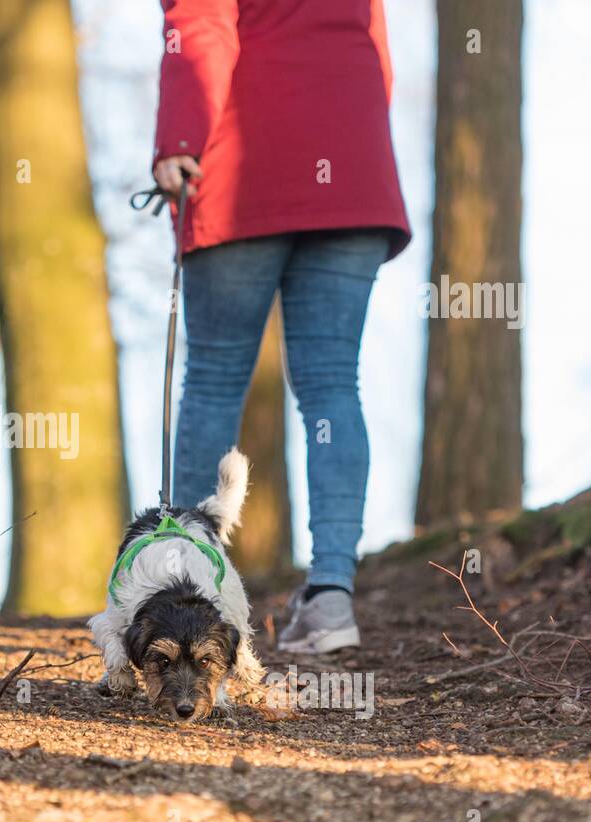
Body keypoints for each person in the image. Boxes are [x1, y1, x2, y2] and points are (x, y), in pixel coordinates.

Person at [152, 0, 410, 653]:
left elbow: (200, 30)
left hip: (245, 165)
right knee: (332, 386)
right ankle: (330, 598)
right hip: (353, 171)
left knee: (213, 380)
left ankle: (189, 588)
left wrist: (178, 142)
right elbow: (377, 61)